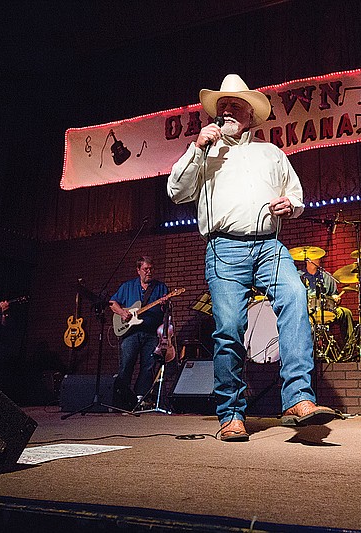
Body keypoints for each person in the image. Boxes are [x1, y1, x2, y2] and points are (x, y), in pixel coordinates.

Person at [167, 73, 338, 441]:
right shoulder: (204, 152)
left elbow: (297, 197)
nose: (227, 110)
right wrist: (197, 149)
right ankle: (231, 414)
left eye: (235, 105)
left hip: (268, 246)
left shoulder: (270, 153)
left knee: (295, 297)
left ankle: (297, 399)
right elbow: (176, 192)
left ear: (250, 114)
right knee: (228, 329)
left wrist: (289, 205)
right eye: (222, 105)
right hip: (223, 248)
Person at [109, 256, 170, 406]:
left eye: (151, 269)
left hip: (151, 333)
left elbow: (166, 310)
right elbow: (112, 303)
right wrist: (123, 313)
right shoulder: (127, 286)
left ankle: (140, 398)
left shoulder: (161, 287)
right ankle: (121, 397)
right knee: (126, 364)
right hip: (130, 333)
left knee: (148, 366)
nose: (149, 272)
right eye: (145, 269)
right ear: (138, 270)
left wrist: (164, 304)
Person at [299, 256, 355, 352]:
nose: (319, 260)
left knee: (346, 313)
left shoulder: (327, 276)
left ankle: (350, 350)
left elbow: (334, 295)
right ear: (308, 261)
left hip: (326, 310)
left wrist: (335, 297)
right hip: (307, 311)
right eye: (316, 257)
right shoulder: (299, 276)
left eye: (319, 257)